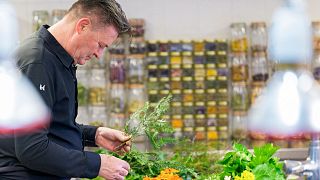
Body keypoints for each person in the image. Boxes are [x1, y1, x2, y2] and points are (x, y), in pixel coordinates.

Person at [0, 0, 132, 179]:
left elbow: (51, 125)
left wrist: (94, 135)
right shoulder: (38, 62)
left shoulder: (58, 58)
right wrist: (96, 164)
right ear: (82, 26)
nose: (99, 55)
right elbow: (32, 149)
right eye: (100, 45)